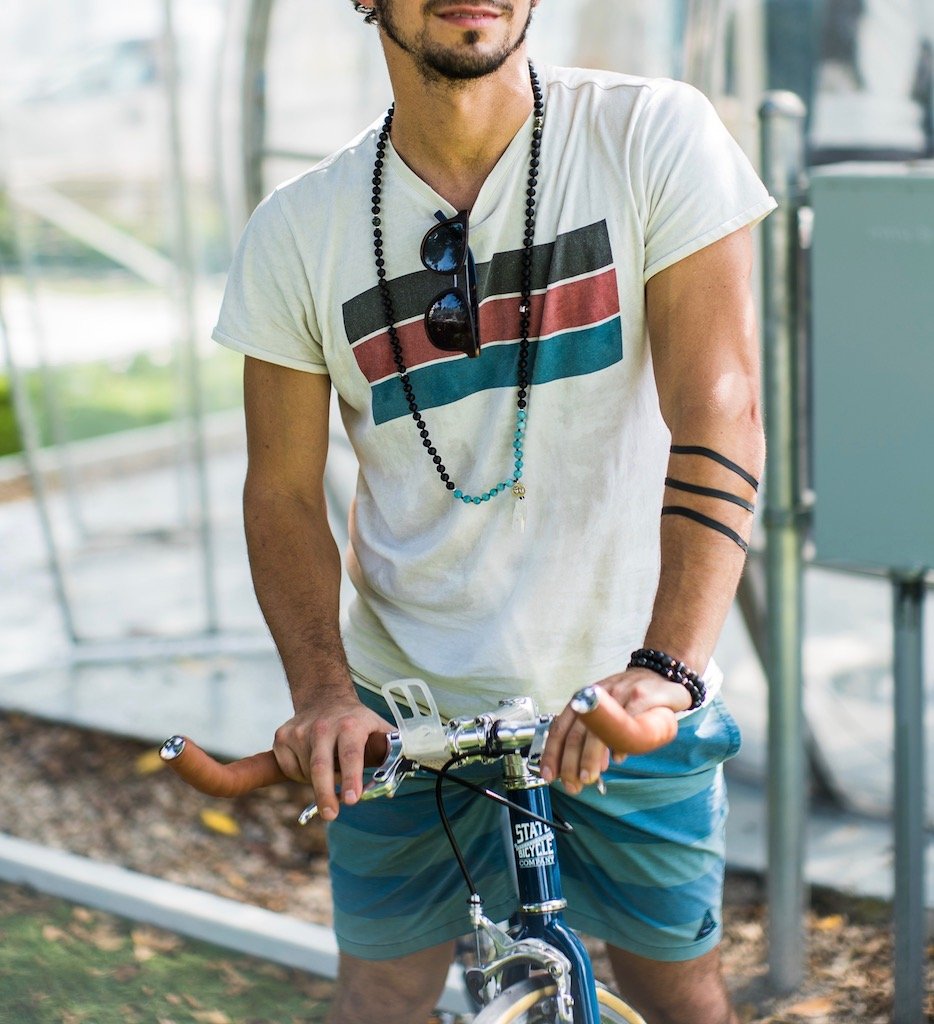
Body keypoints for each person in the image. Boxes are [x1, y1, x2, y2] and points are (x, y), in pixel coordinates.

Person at [212, 2, 775, 1021]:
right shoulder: (300, 226)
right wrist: (324, 692)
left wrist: (667, 667)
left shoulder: (652, 134)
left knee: (680, 991)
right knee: (378, 992)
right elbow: (281, 492)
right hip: (404, 715)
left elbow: (723, 410)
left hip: (624, 692)